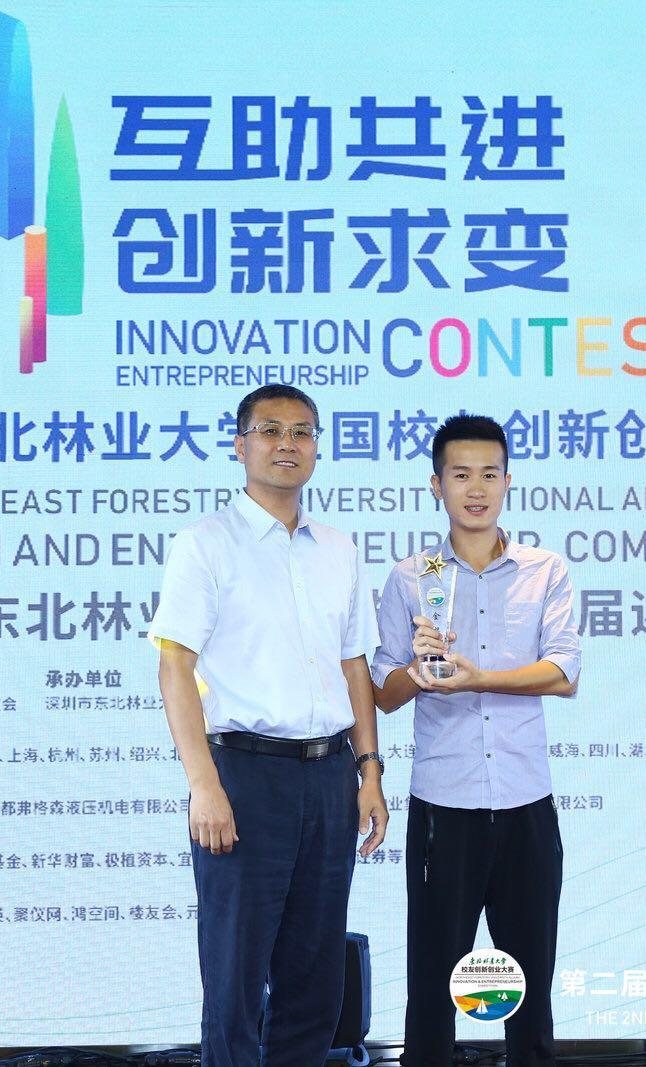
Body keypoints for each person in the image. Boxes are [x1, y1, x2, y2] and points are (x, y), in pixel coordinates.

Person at [150, 384, 388, 1067]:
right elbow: (174, 667)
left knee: (315, 978)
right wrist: (205, 785)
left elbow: (353, 666)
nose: (288, 444)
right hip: (244, 776)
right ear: (240, 445)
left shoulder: (338, 549)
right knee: (235, 975)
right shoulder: (205, 545)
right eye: (271, 430)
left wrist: (369, 771)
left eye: (302, 432)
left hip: (329, 777)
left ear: (317, 447)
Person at [370, 414, 582, 1067]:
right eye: (461, 474)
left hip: (525, 803)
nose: (477, 488)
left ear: (508, 482)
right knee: (434, 984)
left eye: (490, 474)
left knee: (531, 983)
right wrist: (420, 671)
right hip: (445, 805)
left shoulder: (545, 571)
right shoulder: (414, 577)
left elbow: (563, 673)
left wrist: (477, 678)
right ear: (437, 485)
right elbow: (383, 691)